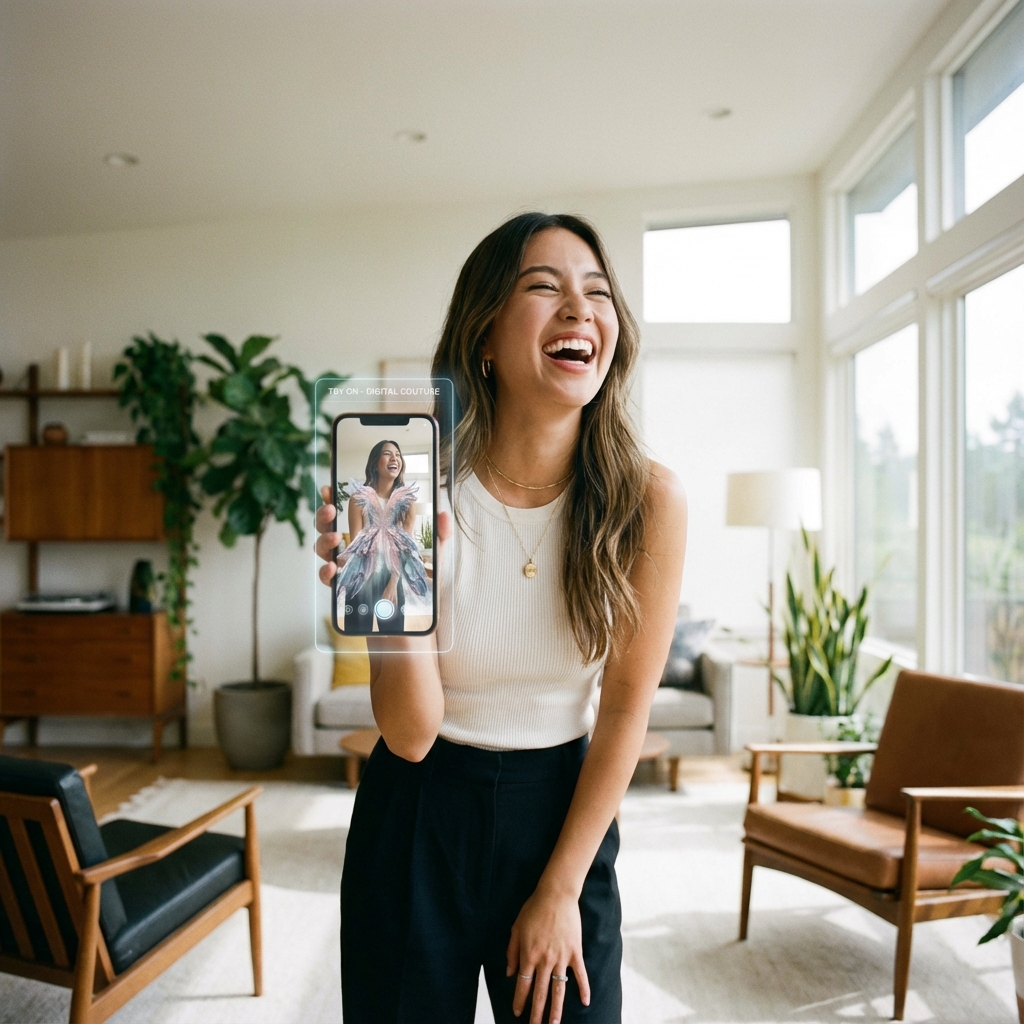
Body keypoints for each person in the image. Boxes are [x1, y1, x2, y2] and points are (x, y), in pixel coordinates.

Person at [315, 212, 687, 1024]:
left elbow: (625, 706)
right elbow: (409, 733)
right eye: (543, 287)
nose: (579, 309)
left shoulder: (648, 502)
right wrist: (383, 597)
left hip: (562, 813)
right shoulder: (407, 489)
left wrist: (559, 892)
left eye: (597, 293)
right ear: (484, 335)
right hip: (415, 810)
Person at [338, 439, 424, 633]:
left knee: (393, 640)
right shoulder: (358, 499)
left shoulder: (408, 502)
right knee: (358, 638)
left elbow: (405, 551)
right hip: (362, 577)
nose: (395, 458)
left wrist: (393, 584)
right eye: (387, 453)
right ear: (375, 463)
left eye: (398, 454)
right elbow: (357, 549)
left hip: (392, 575)